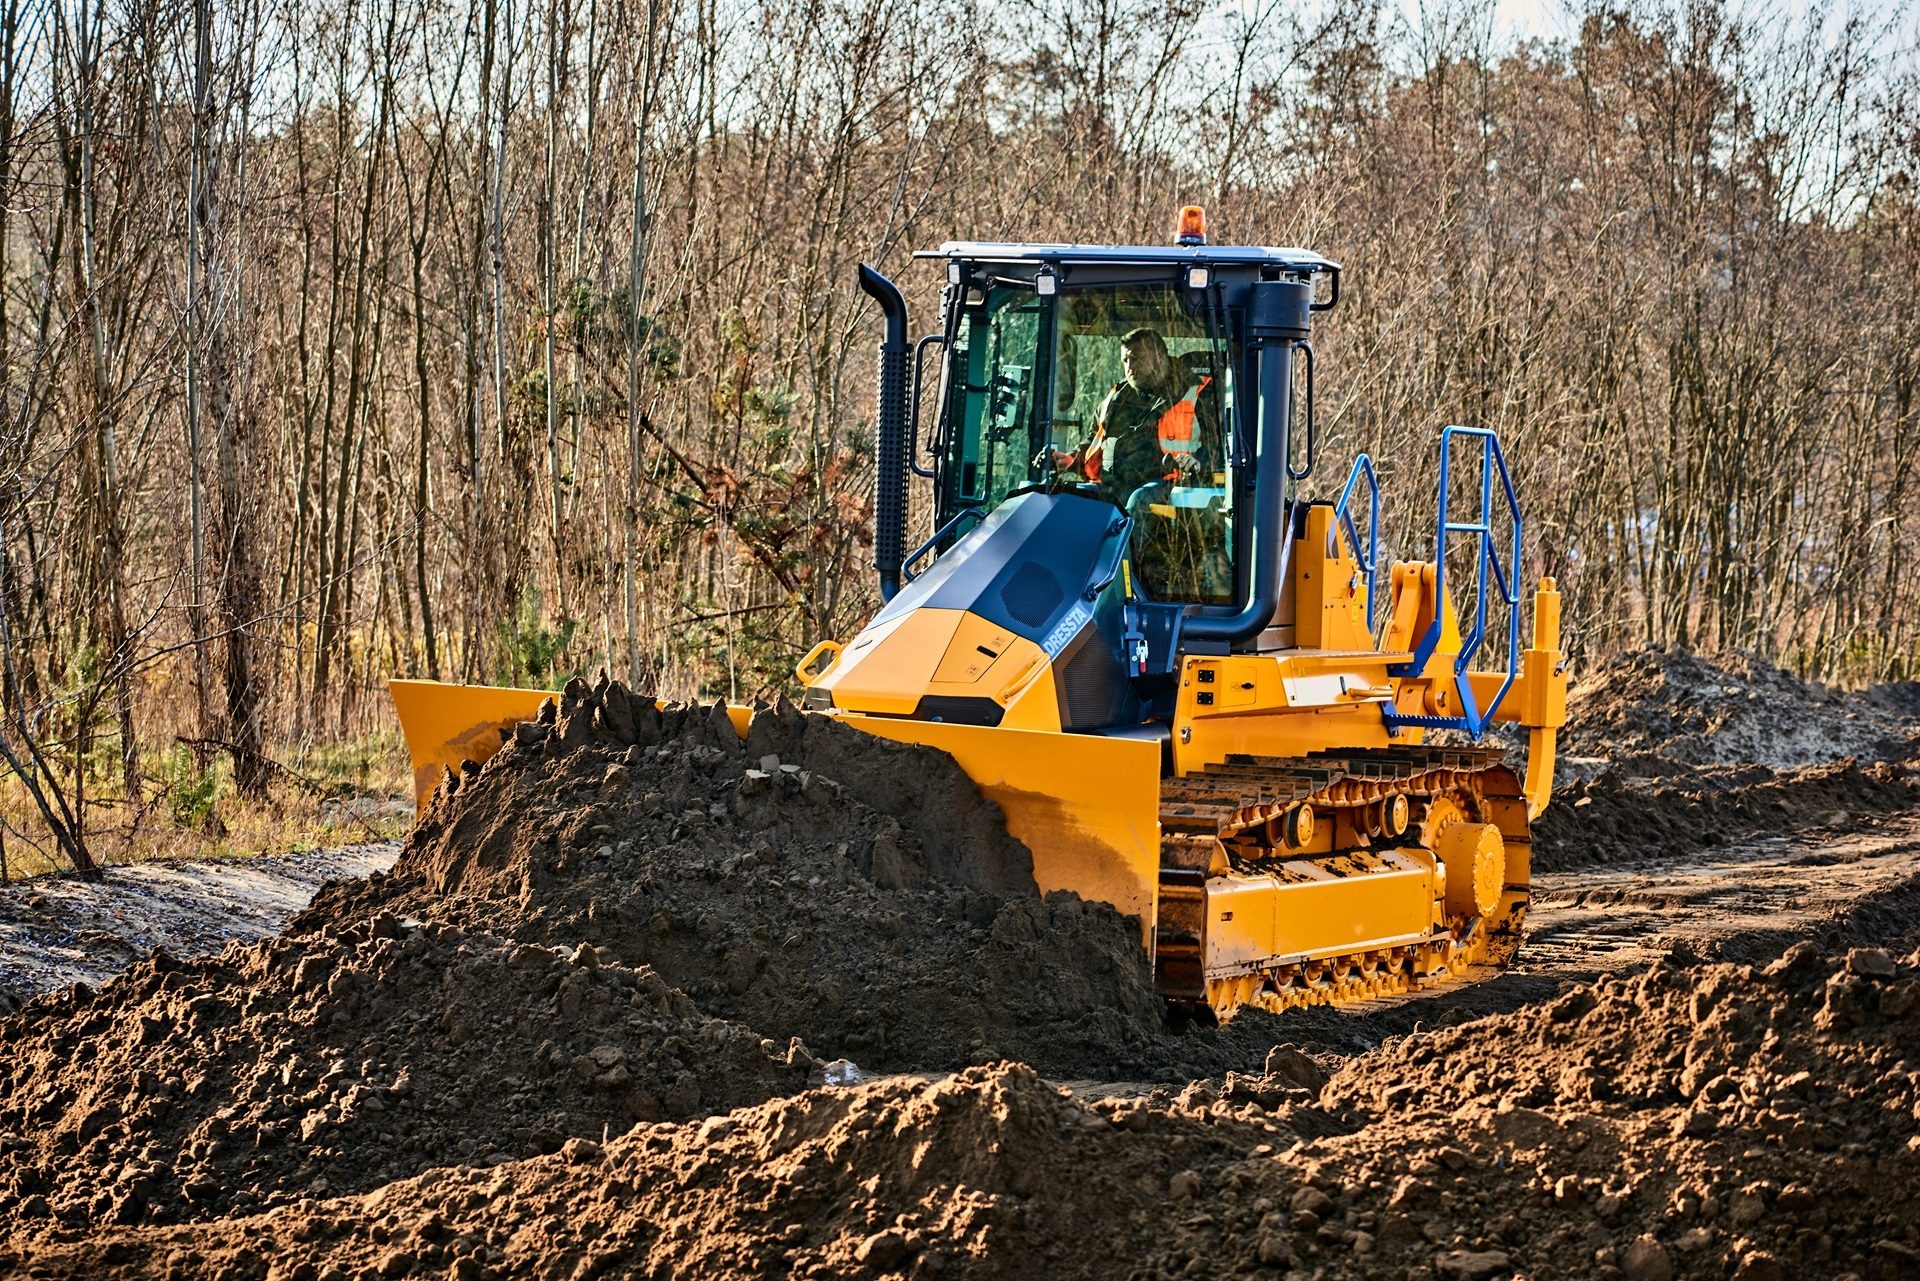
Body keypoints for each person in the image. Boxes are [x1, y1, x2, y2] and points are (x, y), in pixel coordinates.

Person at [1051, 327, 1215, 507]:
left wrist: (1198, 463)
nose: (1129, 367)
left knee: (1138, 501)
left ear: (1159, 357)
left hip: (1170, 486)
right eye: (1125, 360)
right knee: (1064, 497)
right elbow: (1094, 441)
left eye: (1136, 359)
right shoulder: (1116, 398)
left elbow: (1217, 449)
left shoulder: (1197, 391)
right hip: (1113, 486)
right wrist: (1071, 459)